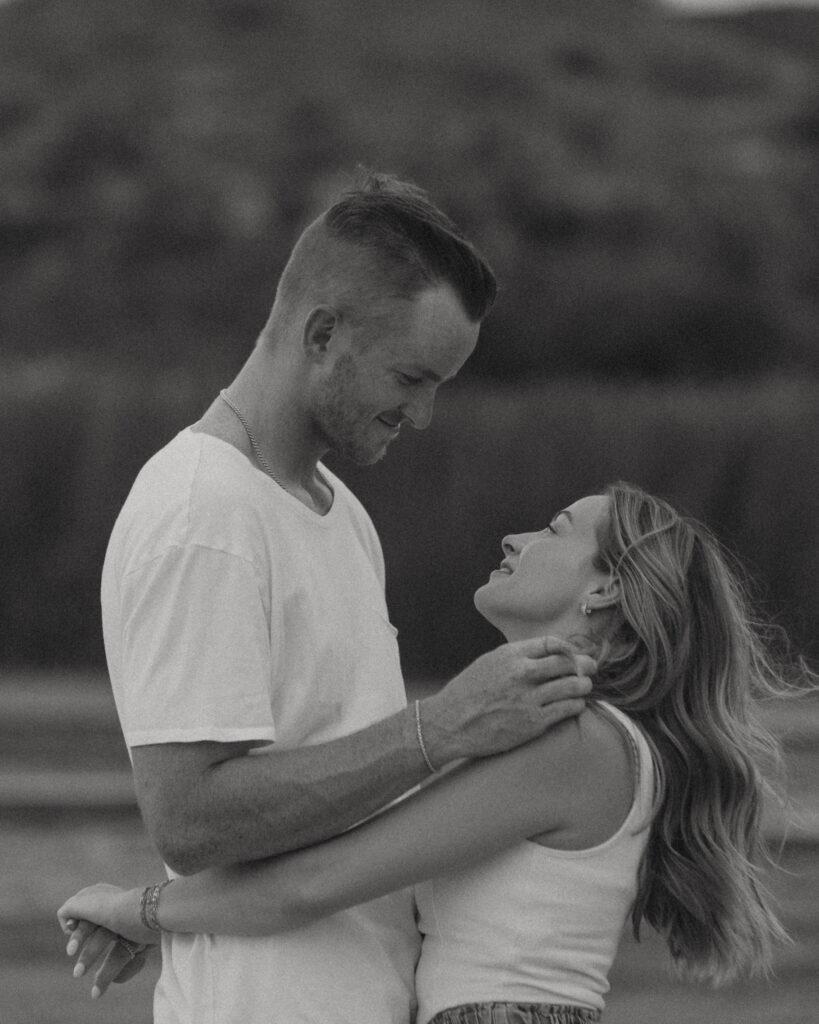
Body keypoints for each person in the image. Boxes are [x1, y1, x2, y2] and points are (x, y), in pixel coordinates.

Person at [76, 169, 596, 1024]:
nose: (422, 415)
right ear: (322, 334)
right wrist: (442, 726)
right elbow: (190, 818)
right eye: (410, 377)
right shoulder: (205, 512)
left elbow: (343, 780)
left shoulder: (336, 509)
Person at [61, 481, 806, 1024]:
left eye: (553, 528)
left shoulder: (575, 745)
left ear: (606, 587)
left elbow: (314, 884)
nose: (517, 539)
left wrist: (139, 909)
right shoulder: (583, 744)